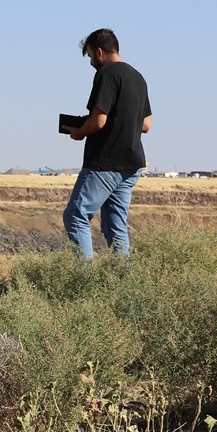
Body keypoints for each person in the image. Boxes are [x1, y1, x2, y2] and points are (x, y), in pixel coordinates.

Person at [61, 28, 152, 259]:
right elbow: (145, 125)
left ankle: (84, 280)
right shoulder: (138, 77)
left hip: (105, 163)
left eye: (91, 56)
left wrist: (80, 131)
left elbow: (98, 121)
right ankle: (121, 281)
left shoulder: (107, 74)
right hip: (131, 164)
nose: (91, 62)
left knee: (75, 215)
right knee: (115, 225)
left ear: (100, 51)